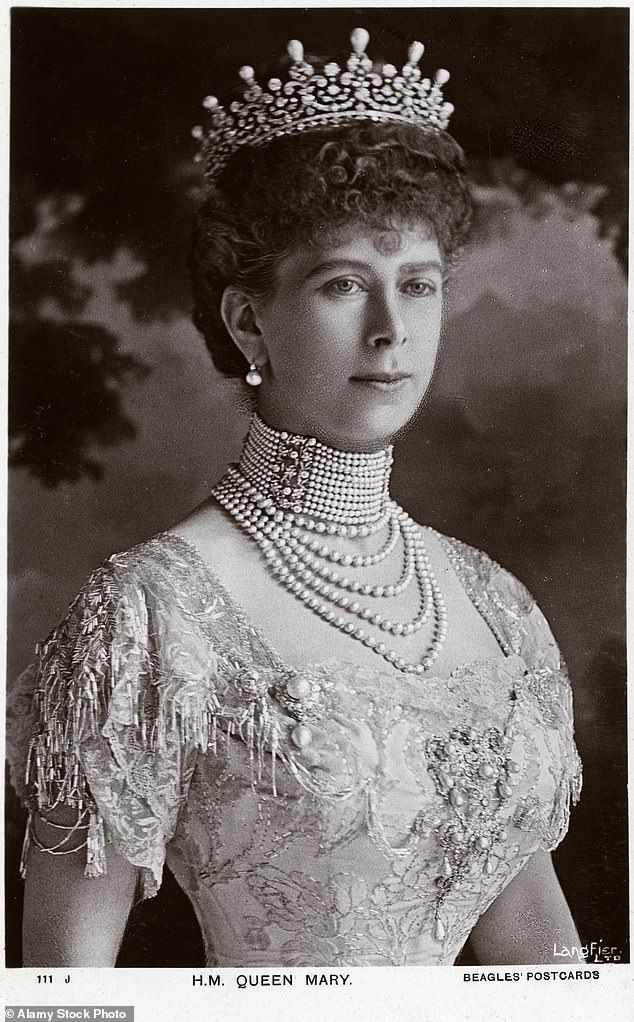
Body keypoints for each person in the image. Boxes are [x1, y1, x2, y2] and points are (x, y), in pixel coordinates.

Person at [7, 28, 582, 967]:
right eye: (344, 284)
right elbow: (63, 991)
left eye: (420, 285)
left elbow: (543, 962)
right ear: (248, 319)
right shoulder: (148, 615)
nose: (393, 330)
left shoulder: (496, 605)